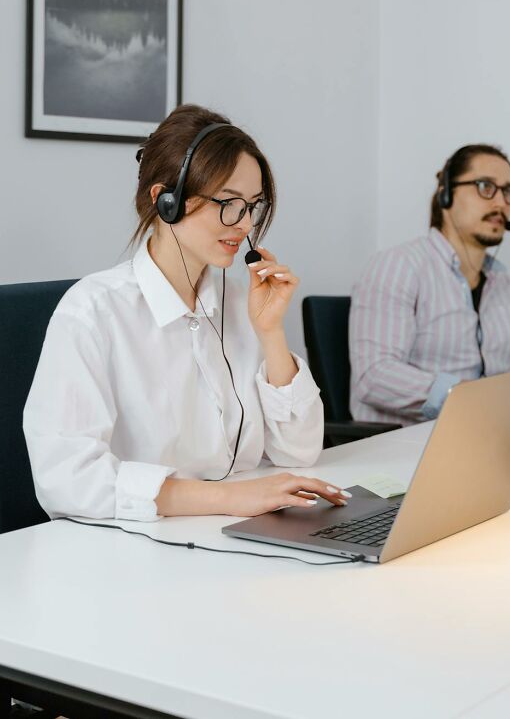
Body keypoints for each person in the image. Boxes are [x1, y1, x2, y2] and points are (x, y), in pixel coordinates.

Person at [24, 104, 350, 521]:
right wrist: (233, 500)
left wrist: (271, 333)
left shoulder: (242, 302)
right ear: (166, 202)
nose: (245, 224)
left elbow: (300, 451)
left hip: (234, 535)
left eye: (253, 205)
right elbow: (66, 480)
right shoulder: (92, 312)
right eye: (229, 203)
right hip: (131, 550)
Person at [349, 143, 510, 425]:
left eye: (507, 191)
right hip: (404, 444)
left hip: (484, 437)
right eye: (485, 186)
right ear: (446, 194)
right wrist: (478, 397)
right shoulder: (398, 266)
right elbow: (374, 376)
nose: (501, 203)